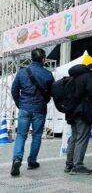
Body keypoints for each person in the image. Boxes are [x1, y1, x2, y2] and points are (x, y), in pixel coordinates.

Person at [10, 48, 54, 176]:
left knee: (21, 135)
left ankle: (17, 158)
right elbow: (52, 92)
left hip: (24, 108)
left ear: (32, 58)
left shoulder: (22, 72)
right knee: (36, 136)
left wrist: (20, 104)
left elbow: (14, 90)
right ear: (44, 59)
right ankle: (32, 161)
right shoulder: (48, 74)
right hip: (40, 109)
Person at [64, 63, 92, 175]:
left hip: (71, 111)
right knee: (82, 137)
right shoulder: (88, 76)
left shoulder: (73, 76)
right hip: (83, 111)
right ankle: (78, 165)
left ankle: (69, 163)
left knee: (74, 137)